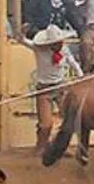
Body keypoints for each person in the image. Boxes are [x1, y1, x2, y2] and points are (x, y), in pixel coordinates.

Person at [27, 24, 82, 154]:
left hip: (61, 87)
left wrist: (80, 75)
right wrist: (19, 34)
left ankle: (62, 146)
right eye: (57, 42)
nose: (60, 44)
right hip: (44, 90)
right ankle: (41, 147)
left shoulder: (64, 49)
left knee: (68, 120)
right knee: (45, 125)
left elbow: (72, 62)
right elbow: (22, 41)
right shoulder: (39, 49)